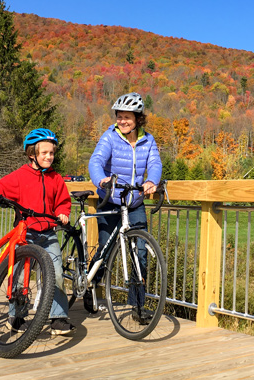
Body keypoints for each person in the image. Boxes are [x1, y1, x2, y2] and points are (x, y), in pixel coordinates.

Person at [0, 128, 75, 336]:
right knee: (18, 275)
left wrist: (62, 213)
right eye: (44, 153)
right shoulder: (20, 176)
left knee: (56, 273)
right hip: (25, 234)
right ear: (32, 154)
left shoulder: (56, 179)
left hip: (48, 234)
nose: (49, 157)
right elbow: (0, 186)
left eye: (51, 153)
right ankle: (16, 317)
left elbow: (63, 201)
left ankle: (58, 318)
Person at [88, 92, 162, 324]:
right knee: (105, 251)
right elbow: (96, 161)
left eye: (127, 117)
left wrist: (152, 181)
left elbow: (154, 163)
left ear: (138, 118)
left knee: (140, 253)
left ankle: (138, 306)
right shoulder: (110, 137)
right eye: (119, 116)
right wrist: (101, 180)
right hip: (111, 201)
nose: (122, 121)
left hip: (134, 203)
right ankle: (91, 285)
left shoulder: (148, 140)